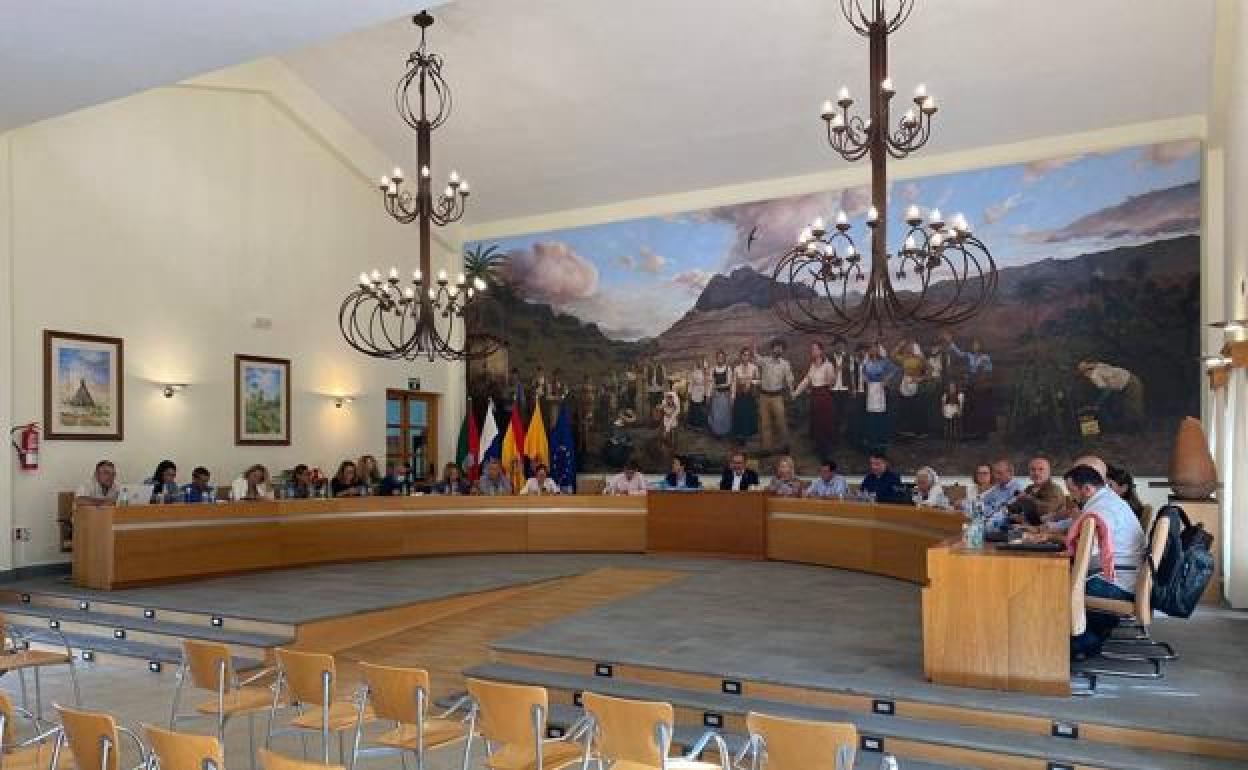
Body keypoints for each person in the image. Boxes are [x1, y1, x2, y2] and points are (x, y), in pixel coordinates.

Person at [1059, 465, 1145, 657]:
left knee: (1052, 585)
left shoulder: (1101, 511)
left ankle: (1082, 643)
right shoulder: (1109, 501)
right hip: (1125, 578)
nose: (1071, 497)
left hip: (1115, 585)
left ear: (1087, 489)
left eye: (1072, 491)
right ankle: (1088, 636)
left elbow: (1086, 556)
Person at [793, 341, 840, 459]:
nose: (812, 351)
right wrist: (795, 393)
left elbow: (831, 383)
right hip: (815, 396)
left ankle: (826, 450)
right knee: (816, 423)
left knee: (825, 422)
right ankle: (819, 446)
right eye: (812, 349)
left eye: (815, 349)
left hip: (824, 396)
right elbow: (806, 380)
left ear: (821, 351)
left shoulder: (828, 365)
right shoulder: (813, 365)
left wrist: (834, 374)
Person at [1078, 360, 1145, 431]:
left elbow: (1106, 390)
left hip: (1130, 384)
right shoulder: (1099, 367)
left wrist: (1097, 404)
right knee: (1125, 408)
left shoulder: (1095, 375)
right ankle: (1132, 429)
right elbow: (1109, 388)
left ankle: (1139, 430)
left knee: (1133, 409)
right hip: (1129, 382)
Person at [755, 339, 794, 454]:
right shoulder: (765, 361)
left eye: (781, 348)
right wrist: (754, 347)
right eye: (776, 347)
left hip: (777, 397)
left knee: (781, 421)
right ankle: (767, 448)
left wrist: (792, 391)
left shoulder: (785, 364)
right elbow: (756, 358)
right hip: (764, 396)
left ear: (783, 350)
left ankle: (785, 446)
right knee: (765, 423)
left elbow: (790, 379)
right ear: (772, 349)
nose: (778, 349)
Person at [1007, 456, 1067, 526]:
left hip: (1047, 528)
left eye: (1041, 469)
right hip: (1027, 526)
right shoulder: (1030, 488)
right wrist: (1007, 509)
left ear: (1048, 472)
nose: (1036, 473)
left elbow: (1047, 509)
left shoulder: (1054, 489)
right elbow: (1016, 507)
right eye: (1033, 470)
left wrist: (1028, 499)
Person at [861, 344, 899, 450]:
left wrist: (886, 379)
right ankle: (872, 438)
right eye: (871, 349)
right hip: (870, 389)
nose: (873, 350)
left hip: (880, 389)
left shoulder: (884, 361)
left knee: (881, 413)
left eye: (875, 348)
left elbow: (895, 369)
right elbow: (862, 372)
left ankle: (882, 438)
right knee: (871, 414)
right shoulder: (867, 362)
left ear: (878, 350)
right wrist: (865, 378)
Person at [981, 458, 1026, 527]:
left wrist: (990, 509)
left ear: (1010, 473)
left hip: (1007, 526)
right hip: (990, 522)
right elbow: (982, 502)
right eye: (995, 473)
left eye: (999, 473)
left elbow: (1005, 510)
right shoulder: (996, 487)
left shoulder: (1017, 489)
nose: (996, 476)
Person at [732, 347, 761, 442]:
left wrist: (751, 382)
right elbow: (734, 383)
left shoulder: (754, 367)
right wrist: (733, 396)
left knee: (749, 413)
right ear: (741, 356)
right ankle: (740, 435)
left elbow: (758, 380)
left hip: (750, 395)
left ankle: (748, 434)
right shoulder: (736, 369)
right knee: (740, 414)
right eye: (744, 355)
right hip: (740, 395)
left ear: (750, 357)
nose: (746, 357)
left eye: (748, 355)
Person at [707, 350, 734, 438]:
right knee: (716, 414)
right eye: (719, 357)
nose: (720, 359)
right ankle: (717, 432)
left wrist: (717, 385)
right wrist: (708, 395)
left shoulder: (728, 369)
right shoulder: (713, 369)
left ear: (724, 358)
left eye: (722, 357)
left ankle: (725, 432)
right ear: (716, 358)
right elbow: (710, 382)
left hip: (725, 395)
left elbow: (729, 383)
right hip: (716, 395)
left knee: (725, 415)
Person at [687, 357, 709, 429]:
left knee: (701, 409)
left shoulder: (706, 373)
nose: (700, 364)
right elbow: (691, 383)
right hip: (695, 391)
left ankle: (701, 424)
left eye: (702, 363)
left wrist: (707, 393)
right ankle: (693, 424)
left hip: (702, 392)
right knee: (694, 408)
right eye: (698, 362)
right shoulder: (694, 372)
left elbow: (707, 383)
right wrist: (689, 392)